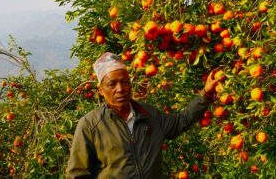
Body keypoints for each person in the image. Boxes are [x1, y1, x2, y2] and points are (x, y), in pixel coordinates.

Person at [66, 52, 219, 178]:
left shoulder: (149, 115)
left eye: (124, 82)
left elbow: (181, 121)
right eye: (112, 84)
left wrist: (205, 94)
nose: (120, 89)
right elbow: (77, 174)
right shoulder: (91, 125)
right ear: (101, 90)